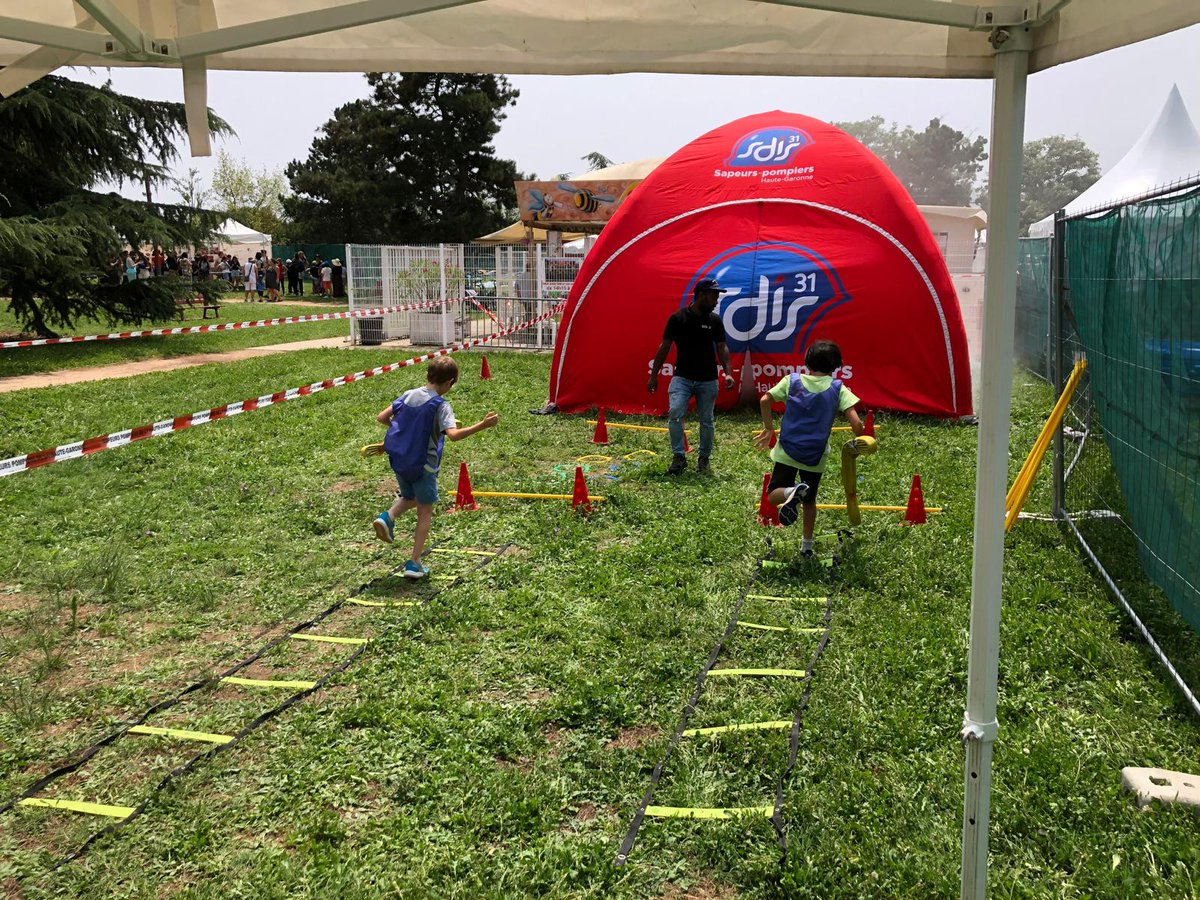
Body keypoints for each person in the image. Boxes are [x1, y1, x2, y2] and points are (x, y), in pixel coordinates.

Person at [372, 357, 499, 579]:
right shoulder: (441, 405)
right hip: (424, 466)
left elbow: (382, 417)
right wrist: (483, 425)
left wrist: (405, 432)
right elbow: (454, 436)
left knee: (410, 496)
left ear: (428, 376)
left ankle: (388, 517)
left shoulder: (409, 394)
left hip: (400, 461)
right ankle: (414, 563)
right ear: (450, 383)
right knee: (425, 509)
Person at [755, 340, 864, 557]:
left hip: (787, 449)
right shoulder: (838, 388)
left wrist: (769, 428)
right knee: (810, 501)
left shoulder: (792, 380)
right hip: (815, 454)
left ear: (807, 361)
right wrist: (861, 440)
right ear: (837, 365)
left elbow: (764, 399)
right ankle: (806, 547)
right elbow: (856, 423)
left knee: (773, 496)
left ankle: (789, 492)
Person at [647, 278, 736, 475]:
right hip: (683, 378)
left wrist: (728, 373)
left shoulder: (715, 320)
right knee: (675, 413)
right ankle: (679, 457)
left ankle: (704, 459)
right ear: (702, 294)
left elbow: (722, 348)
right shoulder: (678, 318)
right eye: (714, 296)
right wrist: (654, 376)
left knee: (707, 420)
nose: (716, 300)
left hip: (708, 380)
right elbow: (664, 347)